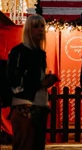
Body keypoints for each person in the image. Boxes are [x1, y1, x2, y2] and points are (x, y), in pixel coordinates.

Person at [6, 15, 58, 150]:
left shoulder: (40, 53)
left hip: (39, 104)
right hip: (25, 105)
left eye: (42, 26)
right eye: (35, 27)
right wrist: (40, 83)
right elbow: (13, 80)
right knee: (25, 144)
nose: (40, 30)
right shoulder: (19, 52)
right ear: (28, 29)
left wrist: (46, 79)